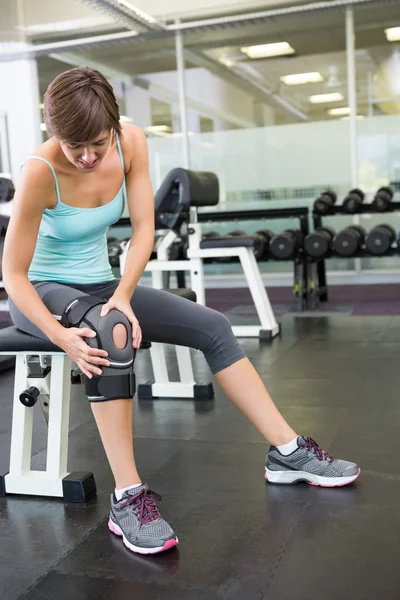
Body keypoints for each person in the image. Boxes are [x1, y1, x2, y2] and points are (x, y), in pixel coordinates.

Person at [2, 67, 360, 556]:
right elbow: (15, 277)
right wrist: (61, 335)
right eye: (73, 146)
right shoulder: (39, 172)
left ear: (114, 126)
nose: (86, 157)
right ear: (53, 133)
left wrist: (124, 293)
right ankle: (127, 498)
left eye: (97, 144)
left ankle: (287, 452)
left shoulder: (130, 141)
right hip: (41, 293)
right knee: (114, 332)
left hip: (102, 283)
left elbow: (144, 227)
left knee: (213, 326)